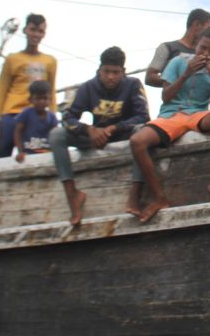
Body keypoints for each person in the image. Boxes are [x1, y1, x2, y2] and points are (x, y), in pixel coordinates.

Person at [128, 28, 210, 223]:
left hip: (197, 115)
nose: (206, 54)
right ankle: (159, 197)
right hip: (171, 116)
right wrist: (187, 73)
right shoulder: (176, 63)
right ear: (196, 46)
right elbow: (166, 96)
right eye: (203, 48)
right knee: (137, 141)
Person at [49, 47, 149, 225]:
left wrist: (113, 127)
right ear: (99, 71)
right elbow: (67, 117)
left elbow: (143, 116)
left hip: (122, 135)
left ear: (123, 72)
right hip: (95, 137)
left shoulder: (133, 84)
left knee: (143, 131)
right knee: (57, 135)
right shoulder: (88, 87)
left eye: (116, 72)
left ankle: (135, 194)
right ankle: (72, 195)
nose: (110, 76)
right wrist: (88, 130)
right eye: (106, 72)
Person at [0, 13, 57, 159]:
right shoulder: (12, 59)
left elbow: (51, 91)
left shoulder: (50, 61)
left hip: (37, 115)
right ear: (25, 30)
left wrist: (52, 117)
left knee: (38, 156)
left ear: (44, 34)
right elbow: (1, 91)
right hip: (11, 113)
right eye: (33, 29)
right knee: (2, 154)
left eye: (40, 31)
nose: (36, 34)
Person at [145, 8, 210, 87]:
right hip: (173, 101)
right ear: (197, 24)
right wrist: (179, 80)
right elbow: (149, 78)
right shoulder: (167, 47)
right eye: (208, 28)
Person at [13, 80, 58, 162]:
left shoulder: (52, 117)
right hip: (28, 154)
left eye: (45, 98)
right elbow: (17, 132)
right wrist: (20, 152)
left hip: (47, 153)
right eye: (38, 98)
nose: (41, 101)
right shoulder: (26, 113)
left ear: (50, 100)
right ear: (30, 99)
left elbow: (56, 135)